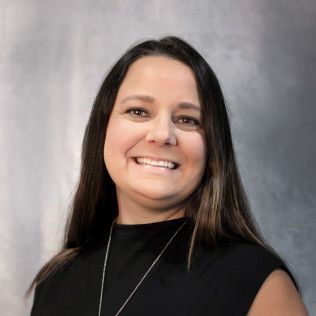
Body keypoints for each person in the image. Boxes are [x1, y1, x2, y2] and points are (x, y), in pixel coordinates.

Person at [28, 36, 308, 315]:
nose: (162, 135)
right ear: (103, 129)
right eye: (138, 111)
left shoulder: (259, 283)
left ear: (213, 146)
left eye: (188, 120)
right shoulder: (56, 281)